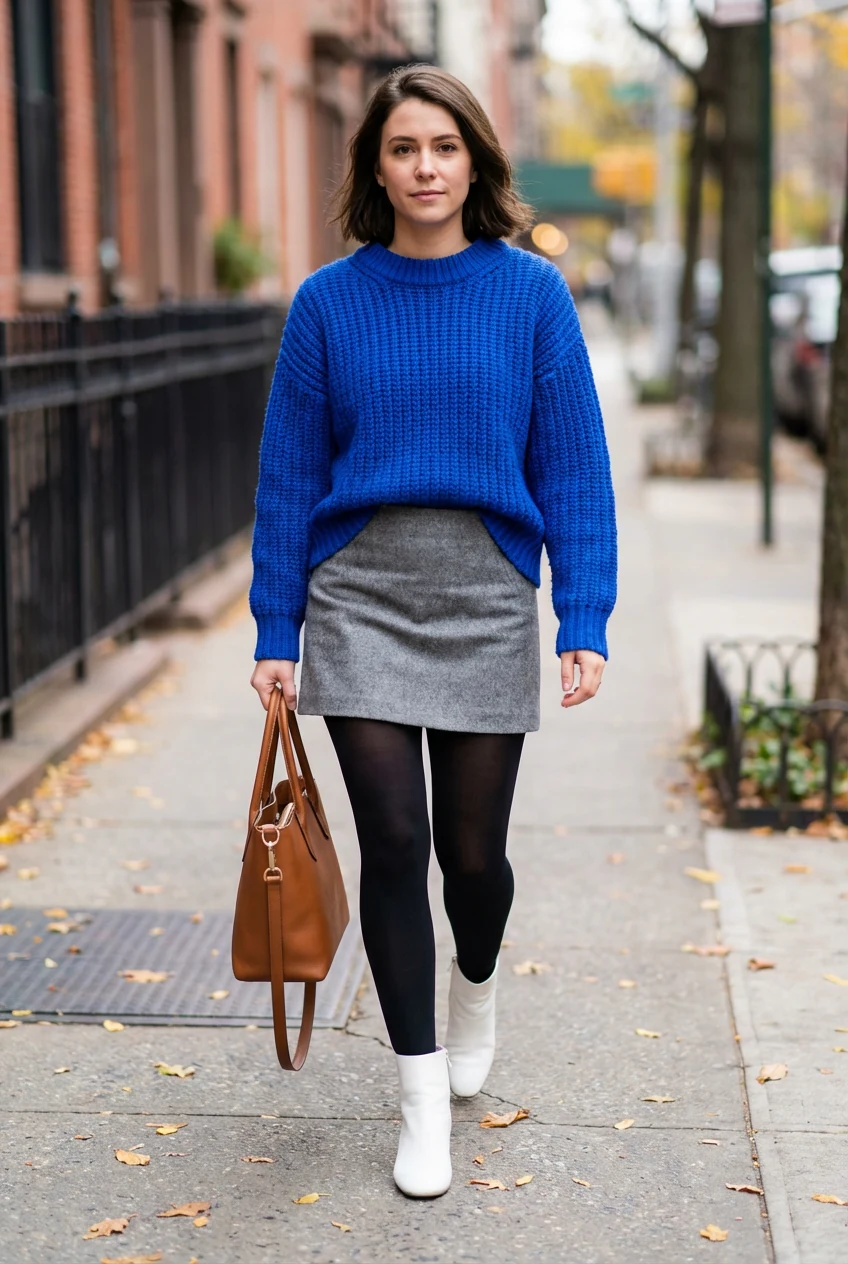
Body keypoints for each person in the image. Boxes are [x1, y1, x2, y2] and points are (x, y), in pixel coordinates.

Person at [248, 64, 617, 1199]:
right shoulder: (327, 303)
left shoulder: (529, 295)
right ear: (374, 166)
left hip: (483, 591)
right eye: (402, 148)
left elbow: (573, 463)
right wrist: (278, 622)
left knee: (472, 860)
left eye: (442, 148)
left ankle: (478, 974)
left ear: (473, 164)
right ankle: (418, 1102)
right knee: (393, 844)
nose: (423, 168)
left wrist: (582, 611)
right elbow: (287, 475)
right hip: (360, 592)